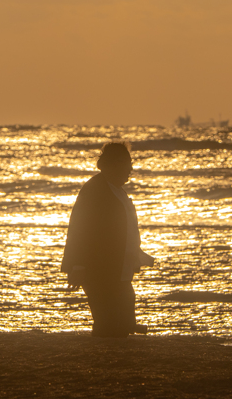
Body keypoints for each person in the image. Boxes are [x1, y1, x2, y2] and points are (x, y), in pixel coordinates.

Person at [61, 142, 154, 337]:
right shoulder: (95, 190)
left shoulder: (116, 189)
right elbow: (79, 228)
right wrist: (77, 265)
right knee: (108, 324)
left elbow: (124, 230)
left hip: (118, 269)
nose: (131, 170)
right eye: (127, 164)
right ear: (113, 164)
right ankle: (103, 359)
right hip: (99, 269)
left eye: (131, 164)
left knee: (121, 320)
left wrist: (136, 255)